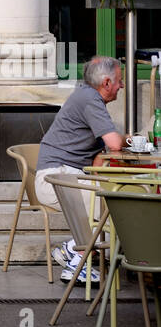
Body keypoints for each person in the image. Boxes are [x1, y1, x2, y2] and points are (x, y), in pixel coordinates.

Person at [35, 55, 125, 285]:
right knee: (113, 203)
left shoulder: (87, 97)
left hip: (62, 176)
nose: (122, 86)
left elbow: (99, 154)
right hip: (56, 180)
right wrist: (131, 140)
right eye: (119, 81)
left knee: (114, 197)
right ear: (106, 83)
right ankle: (76, 264)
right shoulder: (90, 99)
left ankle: (71, 249)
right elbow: (114, 144)